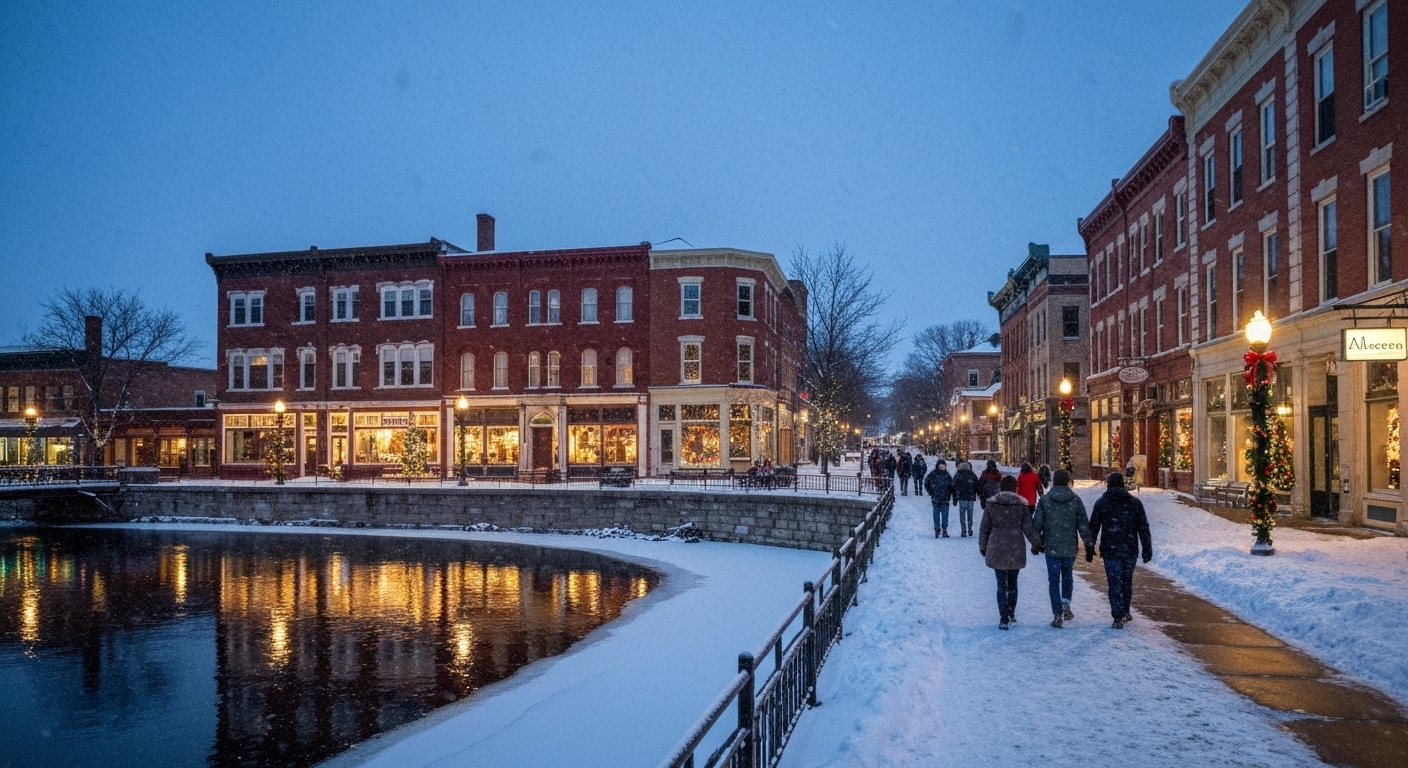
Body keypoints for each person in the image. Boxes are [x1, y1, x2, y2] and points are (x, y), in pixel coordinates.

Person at [1089, 473, 1154, 629]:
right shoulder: (1134, 503)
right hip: (1130, 549)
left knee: (1114, 583)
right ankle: (1125, 610)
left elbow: (1093, 528)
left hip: (1110, 549)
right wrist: (1147, 548)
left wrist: (1090, 548)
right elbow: (1143, 527)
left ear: (1109, 485)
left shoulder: (1102, 503)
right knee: (1126, 581)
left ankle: (1117, 615)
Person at [979, 475, 1043, 630]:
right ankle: (1011, 612)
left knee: (1001, 584)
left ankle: (1003, 617)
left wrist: (983, 546)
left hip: (997, 545)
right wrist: (1037, 543)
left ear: (1001, 487)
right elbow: (1028, 528)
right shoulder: (1021, 505)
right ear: (1015, 487)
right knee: (1013, 583)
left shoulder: (992, 504)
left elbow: (985, 527)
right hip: (1015, 545)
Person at [1032, 469, 1093, 628]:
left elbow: (1036, 524)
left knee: (1053, 579)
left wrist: (1036, 542)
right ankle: (1066, 604)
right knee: (1067, 575)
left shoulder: (1045, 500)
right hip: (1069, 547)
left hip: (1051, 546)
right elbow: (1083, 524)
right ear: (1068, 481)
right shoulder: (1075, 500)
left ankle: (1057, 612)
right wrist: (1088, 544)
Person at [924, 459, 956, 538]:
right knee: (936, 515)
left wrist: (951, 494)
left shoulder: (947, 475)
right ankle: (937, 529)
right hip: (936, 498)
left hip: (945, 499)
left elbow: (952, 486)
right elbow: (926, 483)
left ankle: (944, 529)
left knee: (945, 515)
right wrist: (931, 492)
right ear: (938, 466)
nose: (942, 468)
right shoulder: (933, 474)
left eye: (944, 466)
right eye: (941, 466)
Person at [951, 461, 982, 537]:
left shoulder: (958, 474)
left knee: (962, 515)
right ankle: (970, 528)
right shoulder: (972, 474)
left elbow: (953, 486)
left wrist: (955, 498)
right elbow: (977, 486)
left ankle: (963, 530)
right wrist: (980, 496)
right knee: (970, 515)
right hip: (970, 498)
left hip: (962, 498)